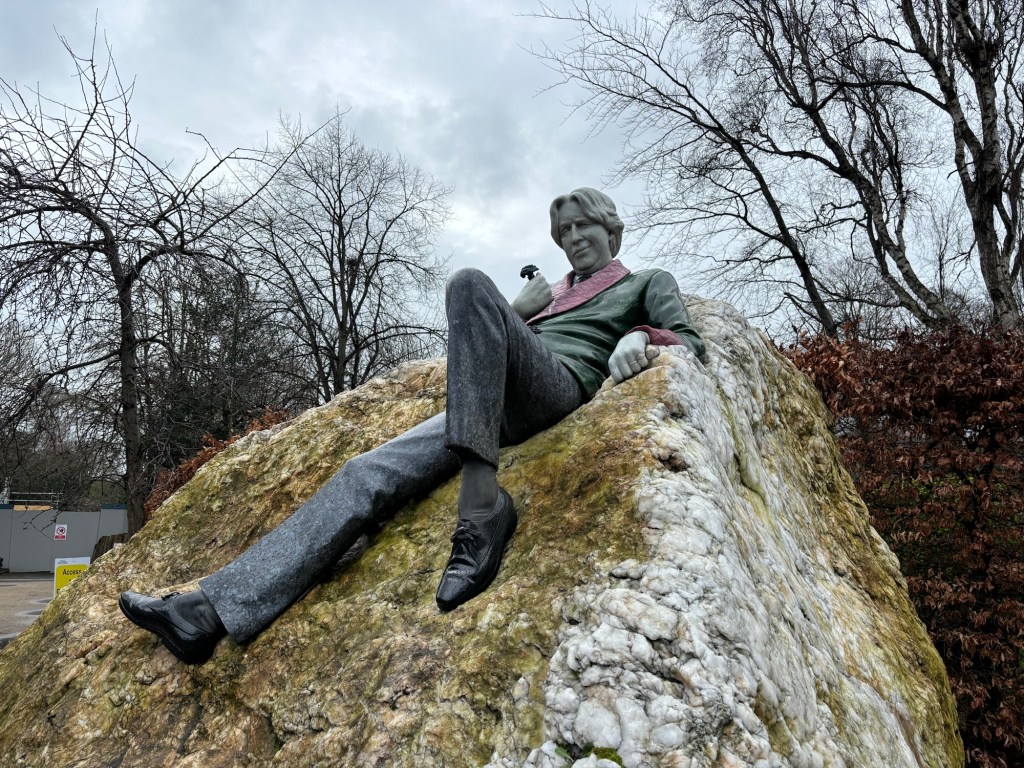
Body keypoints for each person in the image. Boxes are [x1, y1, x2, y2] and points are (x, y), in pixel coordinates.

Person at [118, 187, 705, 664]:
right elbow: (483, 348)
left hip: (558, 389)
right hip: (486, 407)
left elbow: (691, 340)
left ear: (612, 231)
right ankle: (206, 613)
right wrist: (522, 310)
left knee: (468, 280)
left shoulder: (644, 282)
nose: (573, 238)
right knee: (364, 473)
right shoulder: (547, 295)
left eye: (584, 226)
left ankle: (481, 507)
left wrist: (640, 336)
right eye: (564, 231)